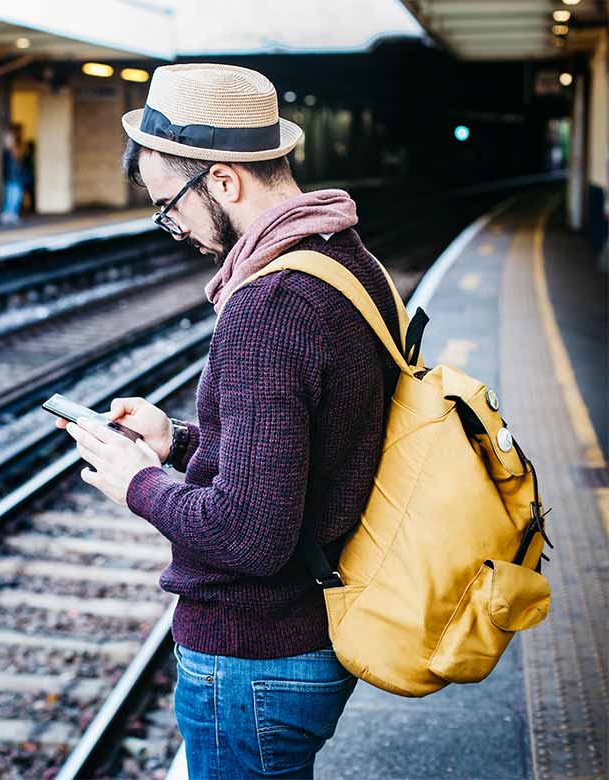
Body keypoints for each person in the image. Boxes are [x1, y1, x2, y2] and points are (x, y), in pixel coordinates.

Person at [58, 63, 401, 778]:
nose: (172, 227)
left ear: (222, 180)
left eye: (169, 204)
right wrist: (178, 441)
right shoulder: (346, 259)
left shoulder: (267, 306)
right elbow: (312, 450)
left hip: (254, 654)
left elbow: (248, 534)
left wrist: (136, 482)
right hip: (305, 633)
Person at [0, 127, 23, 225]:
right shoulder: (7, 154)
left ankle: (12, 215)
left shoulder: (13, 156)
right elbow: (6, 168)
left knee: (16, 197)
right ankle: (6, 215)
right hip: (11, 179)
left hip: (15, 179)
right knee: (11, 198)